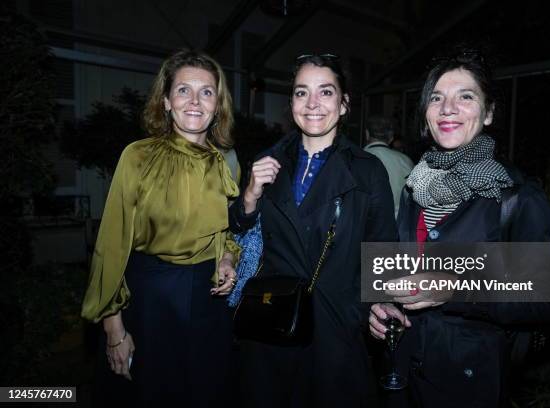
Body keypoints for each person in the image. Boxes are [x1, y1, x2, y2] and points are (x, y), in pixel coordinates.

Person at [369, 47, 550, 407]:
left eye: (466, 97)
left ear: (488, 113)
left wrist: (456, 288)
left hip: (471, 382)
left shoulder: (517, 196)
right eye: (437, 98)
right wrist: (381, 302)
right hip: (404, 372)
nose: (447, 109)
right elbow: (397, 264)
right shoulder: (416, 186)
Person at [229, 54, 397, 407]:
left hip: (335, 327)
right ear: (290, 103)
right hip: (271, 325)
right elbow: (238, 232)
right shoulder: (267, 161)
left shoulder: (368, 172)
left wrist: (372, 306)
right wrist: (249, 197)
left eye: (326, 92)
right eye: (302, 93)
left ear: (344, 103)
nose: (313, 104)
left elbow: (383, 252)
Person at [81, 49, 240, 407]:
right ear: (166, 101)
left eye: (207, 92)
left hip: (208, 304)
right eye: (184, 90)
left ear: (218, 105)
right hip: (151, 302)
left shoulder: (224, 163)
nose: (195, 101)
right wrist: (113, 329)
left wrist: (228, 259)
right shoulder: (138, 156)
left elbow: (227, 235)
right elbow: (110, 246)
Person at [364, 116, 414, 218]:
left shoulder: (357, 159)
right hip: (400, 224)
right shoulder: (406, 160)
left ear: (367, 134)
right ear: (391, 138)